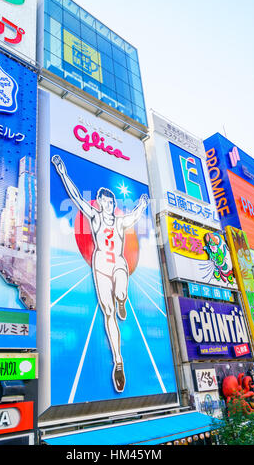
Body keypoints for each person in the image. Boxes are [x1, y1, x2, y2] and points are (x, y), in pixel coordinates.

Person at [52, 154, 149, 393]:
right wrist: (63, 172)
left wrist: (142, 205)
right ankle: (118, 361)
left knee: (121, 290)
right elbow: (75, 197)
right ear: (99, 203)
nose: (106, 205)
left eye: (109, 202)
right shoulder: (94, 217)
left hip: (117, 262)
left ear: (112, 203)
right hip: (100, 265)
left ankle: (122, 299)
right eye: (103, 202)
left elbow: (135, 216)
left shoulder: (119, 221)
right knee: (108, 312)